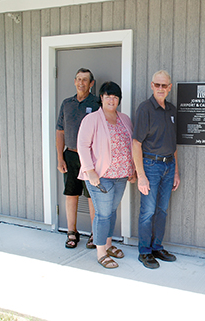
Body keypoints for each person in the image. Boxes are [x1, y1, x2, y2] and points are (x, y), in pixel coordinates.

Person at [77, 81, 136, 269]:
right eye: (108, 96)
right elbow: (82, 146)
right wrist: (90, 171)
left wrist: (132, 169)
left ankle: (108, 245)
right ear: (101, 98)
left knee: (111, 212)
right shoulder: (92, 119)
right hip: (100, 177)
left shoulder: (124, 119)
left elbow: (131, 146)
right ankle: (101, 252)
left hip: (120, 176)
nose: (112, 99)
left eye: (115, 96)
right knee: (102, 215)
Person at [132, 70, 180, 269]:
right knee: (148, 211)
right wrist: (141, 175)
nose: (161, 89)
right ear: (152, 86)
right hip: (150, 166)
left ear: (169, 87)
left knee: (162, 210)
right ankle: (144, 252)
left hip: (169, 165)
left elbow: (173, 143)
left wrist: (176, 171)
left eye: (164, 85)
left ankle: (157, 247)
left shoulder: (172, 110)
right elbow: (136, 144)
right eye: (157, 85)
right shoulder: (145, 109)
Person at [56, 68, 99, 249]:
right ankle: (71, 232)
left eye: (85, 80)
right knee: (71, 194)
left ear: (91, 84)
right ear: (75, 81)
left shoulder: (97, 103)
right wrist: (60, 158)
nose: (81, 83)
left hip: (90, 157)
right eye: (78, 79)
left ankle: (94, 234)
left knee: (92, 196)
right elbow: (60, 131)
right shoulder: (67, 103)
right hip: (71, 155)